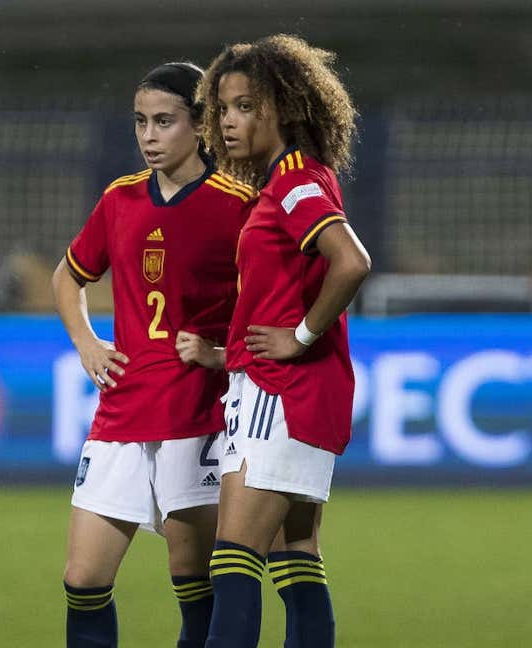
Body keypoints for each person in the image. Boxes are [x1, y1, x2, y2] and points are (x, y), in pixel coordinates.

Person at [52, 61, 254, 648]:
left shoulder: (236, 204)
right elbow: (68, 277)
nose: (148, 135)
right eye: (140, 121)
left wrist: (221, 352)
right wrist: (88, 344)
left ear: (200, 125)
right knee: (82, 578)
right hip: (122, 411)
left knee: (193, 584)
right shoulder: (119, 199)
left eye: (164, 121)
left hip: (197, 413)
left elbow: (275, 302)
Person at [195, 35, 371, 648]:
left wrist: (299, 336)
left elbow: (350, 260)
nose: (229, 121)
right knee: (295, 557)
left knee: (233, 555)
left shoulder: (295, 178)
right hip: (289, 388)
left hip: (283, 391)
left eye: (246, 105)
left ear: (286, 107)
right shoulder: (288, 181)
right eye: (223, 108)